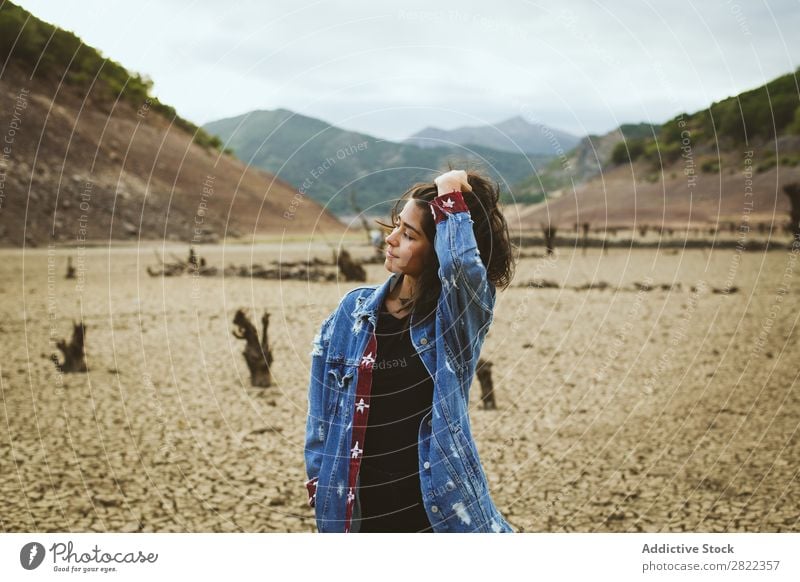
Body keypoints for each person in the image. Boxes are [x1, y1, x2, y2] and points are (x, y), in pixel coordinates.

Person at [304, 169, 517, 533]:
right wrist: (319, 483)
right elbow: (321, 410)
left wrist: (449, 189)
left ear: (436, 248)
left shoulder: (454, 322)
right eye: (396, 226)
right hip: (357, 506)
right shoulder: (351, 311)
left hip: (433, 507)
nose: (391, 239)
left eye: (409, 234)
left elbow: (462, 268)